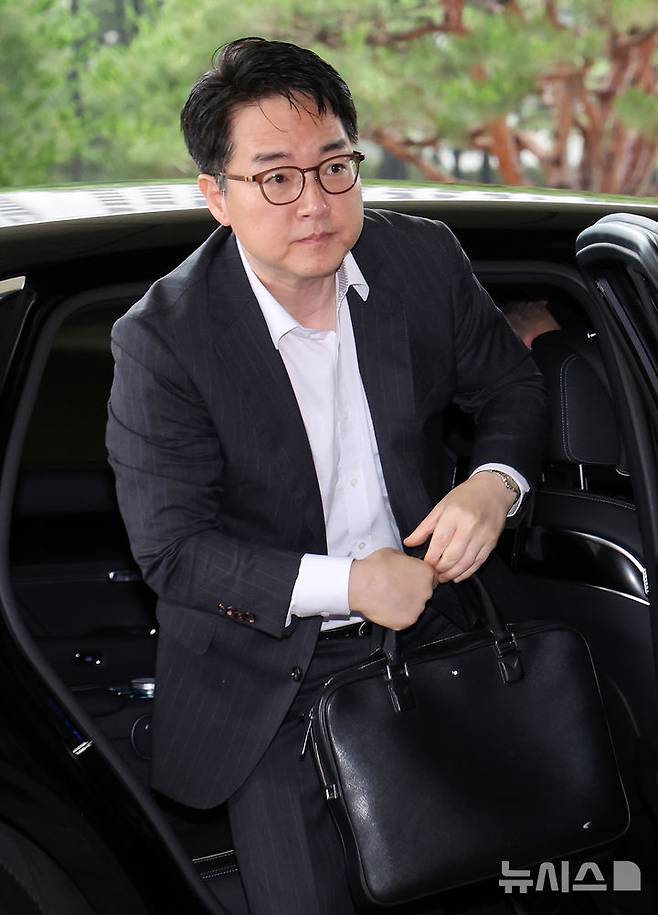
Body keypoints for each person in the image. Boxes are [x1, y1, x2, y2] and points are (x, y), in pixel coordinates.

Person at [106, 37, 548, 915]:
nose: (314, 202)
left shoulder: (421, 262)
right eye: (276, 177)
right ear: (216, 197)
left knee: (480, 888)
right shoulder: (164, 339)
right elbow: (174, 551)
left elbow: (513, 386)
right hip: (267, 680)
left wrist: (493, 484)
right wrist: (350, 582)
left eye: (335, 166)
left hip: (434, 639)